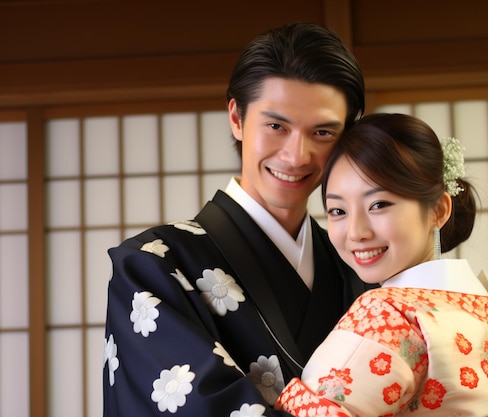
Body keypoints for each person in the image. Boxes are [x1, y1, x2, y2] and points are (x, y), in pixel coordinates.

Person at [102, 22, 375, 416]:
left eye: (322, 132)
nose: (297, 155)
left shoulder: (358, 267)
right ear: (236, 117)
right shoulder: (154, 265)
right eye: (276, 126)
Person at [275, 113, 488, 416]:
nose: (357, 232)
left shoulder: (387, 314)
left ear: (439, 210)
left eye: (379, 205)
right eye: (337, 210)